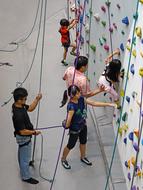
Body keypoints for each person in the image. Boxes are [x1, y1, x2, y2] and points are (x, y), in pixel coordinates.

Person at [60, 85, 117, 169]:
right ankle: (63, 159)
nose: (80, 94)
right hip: (75, 129)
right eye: (78, 93)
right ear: (73, 96)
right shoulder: (71, 107)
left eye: (79, 92)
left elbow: (93, 103)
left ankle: (83, 157)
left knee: (83, 142)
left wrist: (108, 104)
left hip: (83, 125)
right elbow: (68, 123)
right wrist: (65, 124)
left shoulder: (81, 99)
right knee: (70, 145)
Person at [12, 87, 42, 184]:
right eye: (25, 99)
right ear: (19, 100)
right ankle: (26, 177)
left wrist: (37, 99)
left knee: (22, 153)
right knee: (25, 156)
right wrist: (34, 132)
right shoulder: (18, 115)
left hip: (23, 137)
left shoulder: (20, 105)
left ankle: (23, 163)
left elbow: (31, 108)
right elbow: (22, 131)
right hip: (24, 138)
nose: (26, 100)